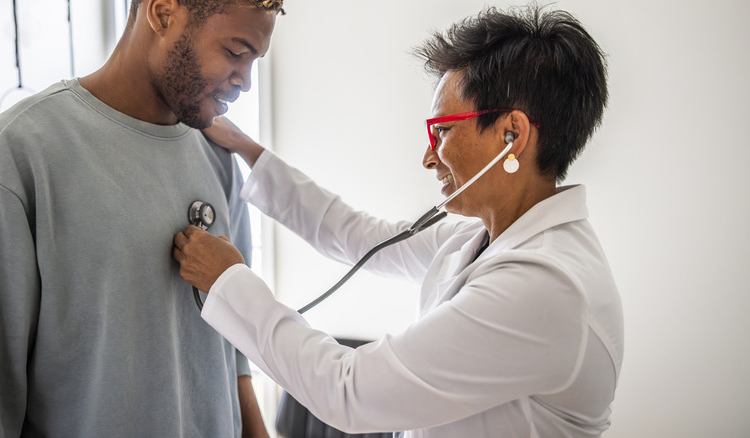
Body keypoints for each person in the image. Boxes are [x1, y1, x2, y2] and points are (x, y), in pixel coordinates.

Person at [173, 5, 623, 438]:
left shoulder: (546, 285)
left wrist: (229, 280)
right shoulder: (488, 237)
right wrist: (251, 152)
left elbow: (348, 391)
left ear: (513, 135)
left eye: (442, 130)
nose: (429, 157)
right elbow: (360, 237)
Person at [0, 0, 283, 436]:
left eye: (255, 60)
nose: (245, 82)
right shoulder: (15, 158)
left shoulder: (218, 158)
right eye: (234, 52)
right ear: (162, 13)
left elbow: (234, 350)